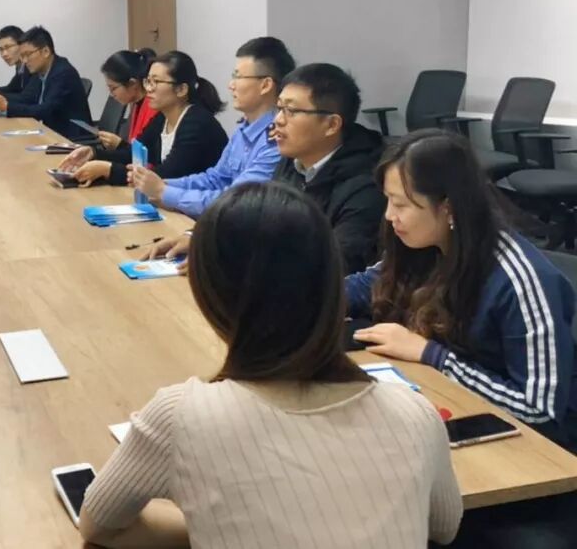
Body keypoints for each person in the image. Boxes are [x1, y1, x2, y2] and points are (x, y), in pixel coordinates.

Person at [79, 182, 462, 548]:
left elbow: (100, 525)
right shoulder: (415, 413)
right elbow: (443, 527)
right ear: (331, 281)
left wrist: (214, 520)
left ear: (208, 292)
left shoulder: (180, 416)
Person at [348, 129, 576, 451]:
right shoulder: (422, 243)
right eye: (388, 200)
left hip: (531, 450)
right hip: (448, 401)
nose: (389, 215)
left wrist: (432, 355)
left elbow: (540, 412)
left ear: (448, 208)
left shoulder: (521, 280)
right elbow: (365, 286)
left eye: (400, 204)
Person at [139, 37, 295, 264]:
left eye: (238, 77)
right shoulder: (244, 128)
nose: (231, 85)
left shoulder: (276, 141)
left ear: (265, 85)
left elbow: (236, 202)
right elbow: (216, 178)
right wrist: (164, 185)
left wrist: (165, 192)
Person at [269, 63, 385, 274]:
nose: (278, 120)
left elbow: (338, 264)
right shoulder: (291, 161)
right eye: (279, 108)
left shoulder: (366, 185)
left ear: (332, 125)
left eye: (291, 111)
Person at [58, 51, 228, 187]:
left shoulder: (196, 123)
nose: (149, 89)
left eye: (156, 82)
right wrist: (94, 153)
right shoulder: (163, 117)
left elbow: (163, 176)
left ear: (181, 89)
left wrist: (108, 170)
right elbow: (135, 152)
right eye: (148, 81)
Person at [0, 26, 93, 141]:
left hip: (71, 140)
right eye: (22, 56)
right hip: (51, 132)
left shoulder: (63, 73)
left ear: (46, 51)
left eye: (28, 54)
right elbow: (28, 99)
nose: (24, 61)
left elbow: (44, 111)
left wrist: (7, 106)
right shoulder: (41, 71)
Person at [93, 49, 159, 151]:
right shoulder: (137, 104)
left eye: (113, 88)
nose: (112, 94)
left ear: (132, 84)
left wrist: (120, 145)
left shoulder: (153, 108)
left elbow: (146, 153)